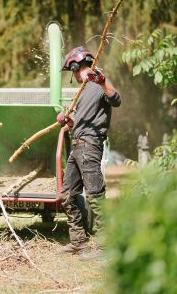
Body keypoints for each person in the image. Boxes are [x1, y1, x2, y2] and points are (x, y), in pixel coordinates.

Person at [58, 46, 121, 254]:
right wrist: (69, 120)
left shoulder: (98, 82)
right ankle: (79, 242)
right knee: (67, 194)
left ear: (76, 65)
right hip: (77, 144)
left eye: (73, 71)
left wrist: (102, 81)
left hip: (90, 144)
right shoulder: (83, 90)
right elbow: (81, 121)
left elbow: (116, 99)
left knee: (95, 194)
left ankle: (105, 246)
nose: (73, 76)